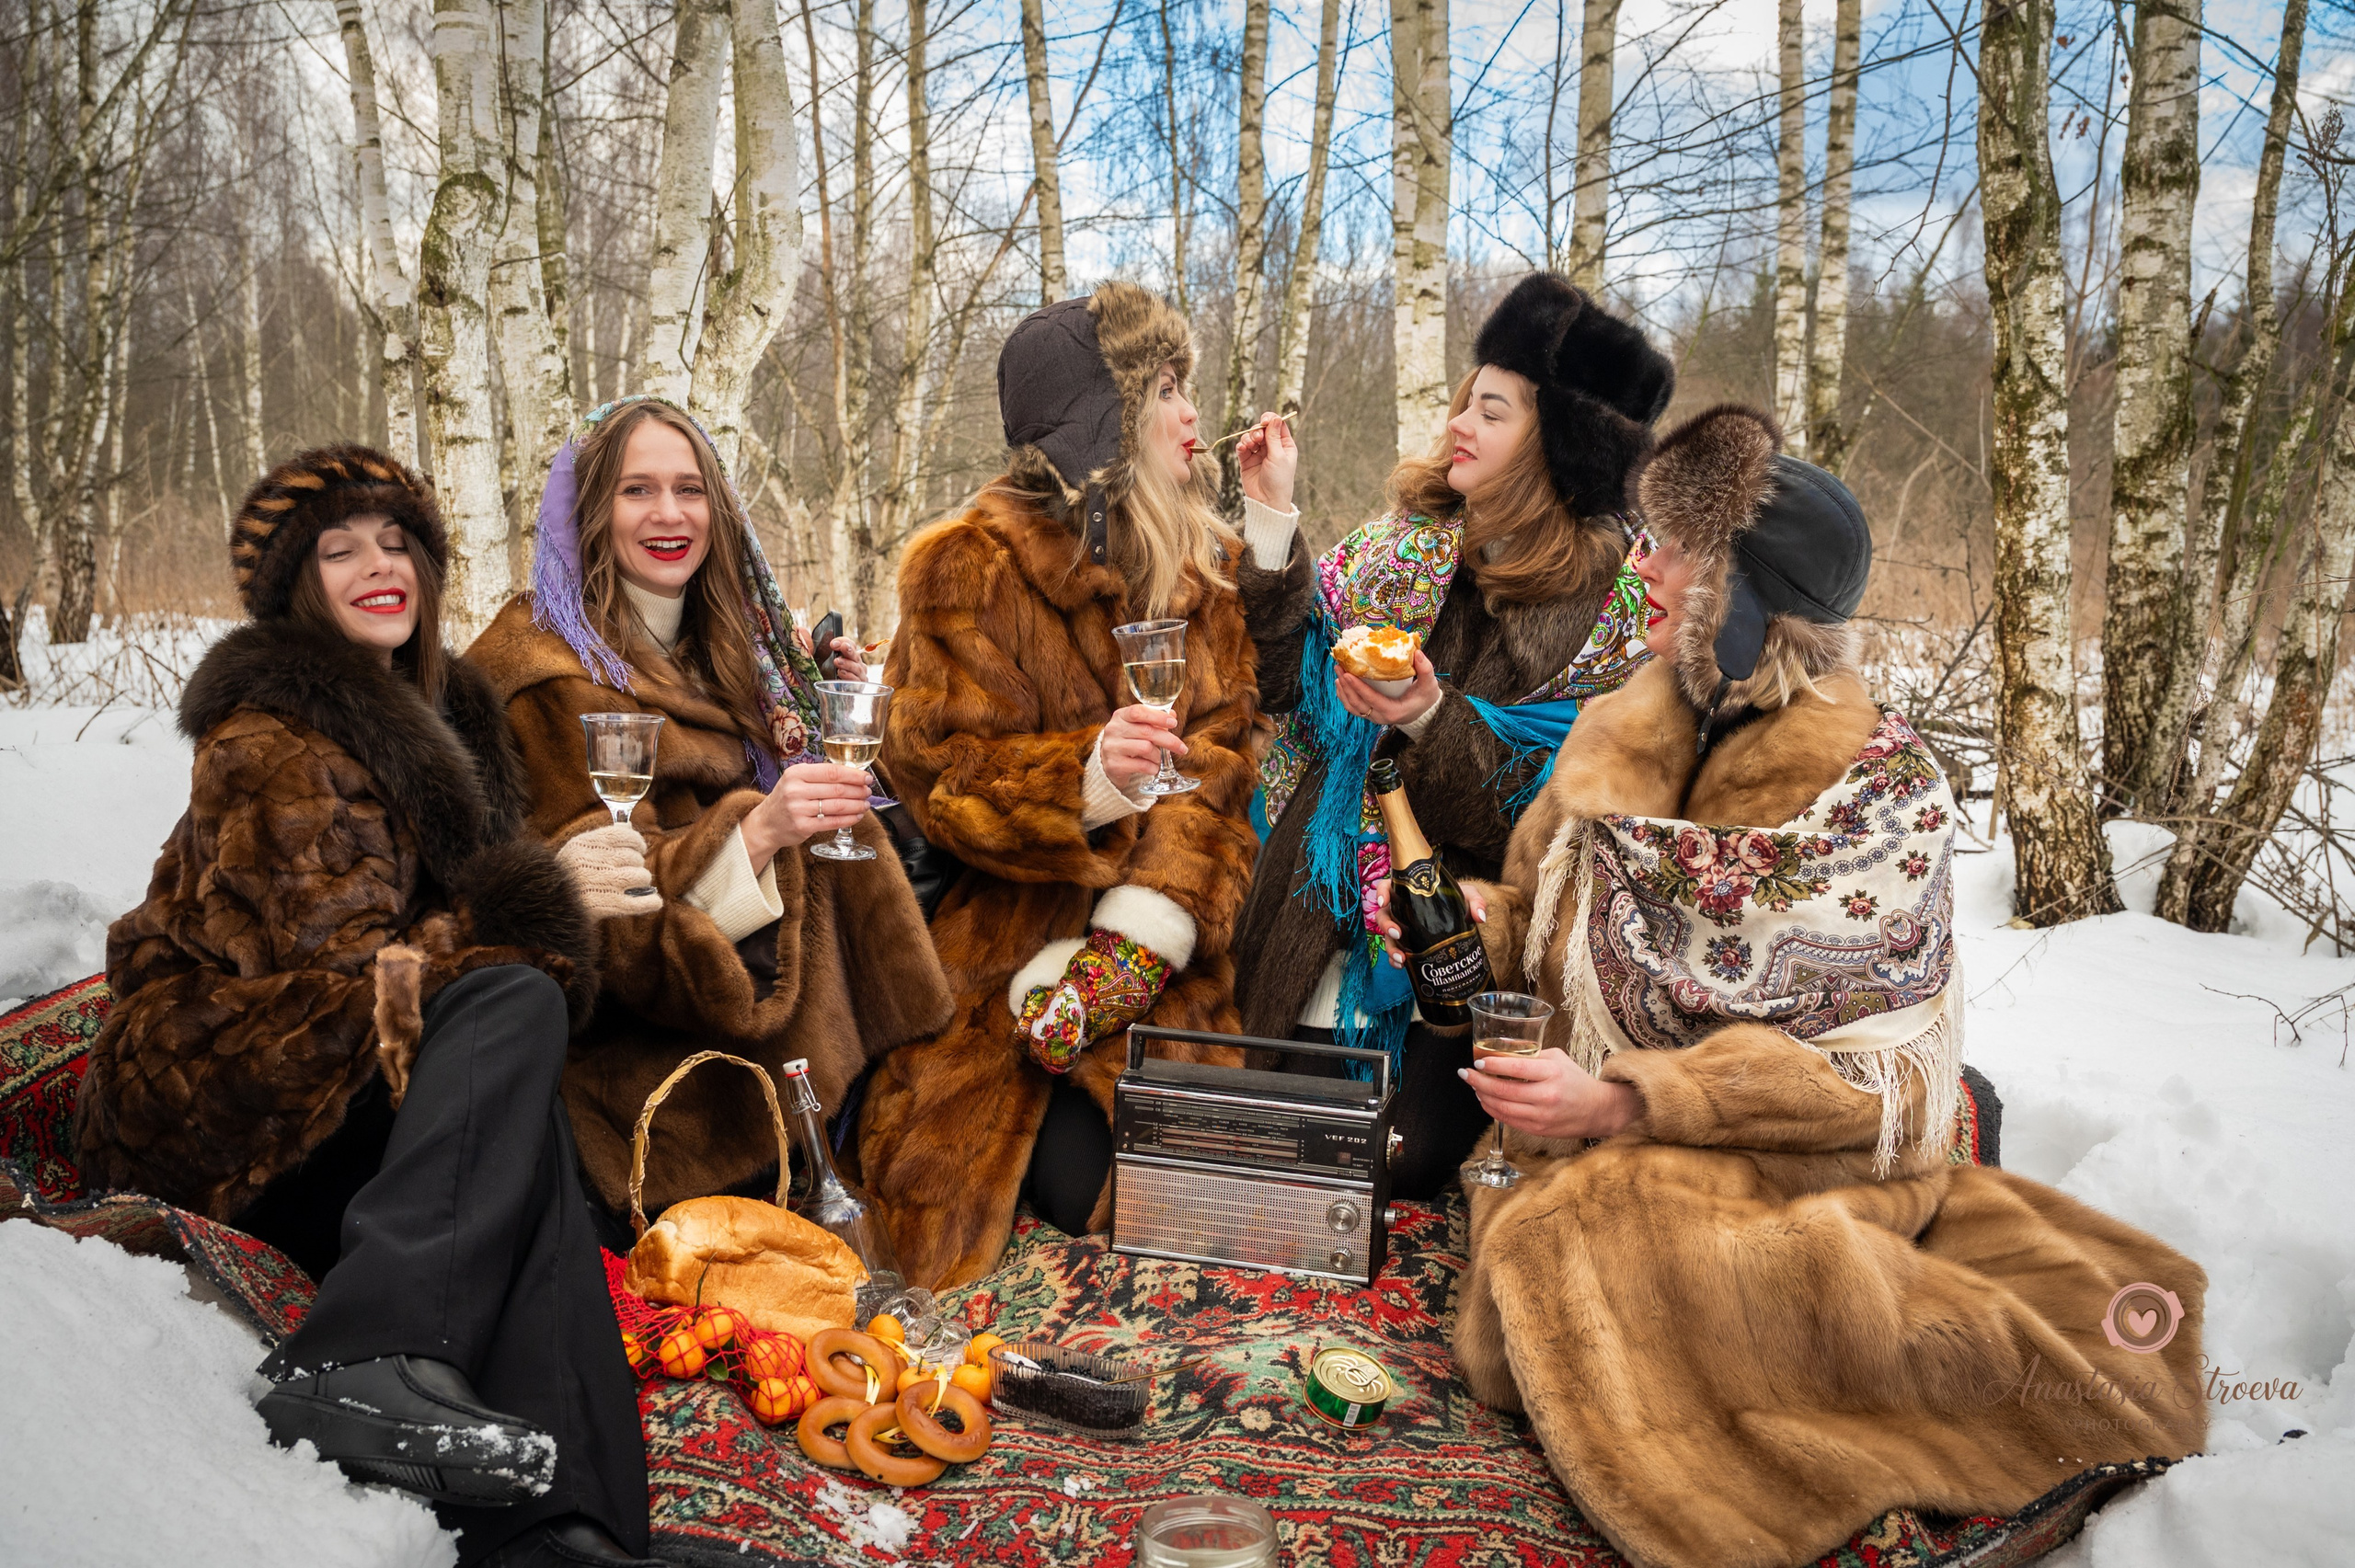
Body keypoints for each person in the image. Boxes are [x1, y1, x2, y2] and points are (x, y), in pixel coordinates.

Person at [1444, 406, 2210, 1568]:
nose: (1638, 563)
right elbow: (1539, 926)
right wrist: (1471, 923)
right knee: (1550, 1261)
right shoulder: (1619, 724)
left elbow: (1868, 1081)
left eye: (1671, 546)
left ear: (1745, 595)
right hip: (1580, 1125)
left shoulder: (1865, 789)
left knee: (1586, 1249)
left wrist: (1627, 1104)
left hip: (1797, 1150)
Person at [74, 446, 661, 1567]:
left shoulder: (444, 718)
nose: (377, 566)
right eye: (339, 551)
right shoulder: (269, 740)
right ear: (300, 588)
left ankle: (568, 1521)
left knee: (521, 1089)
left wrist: (530, 926)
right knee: (508, 1006)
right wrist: (539, 913)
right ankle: (363, 1351)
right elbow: (346, 984)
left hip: (361, 1082)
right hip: (230, 1081)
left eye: (397, 542)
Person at [852, 280, 1263, 1289]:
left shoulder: (1199, 576)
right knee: (975, 1209)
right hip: (1000, 948)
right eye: (1166, 389)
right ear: (1103, 421)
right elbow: (937, 771)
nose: (1192, 415)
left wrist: (1136, 939)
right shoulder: (968, 566)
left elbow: (1219, 769)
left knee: (1194, 1225)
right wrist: (1085, 780)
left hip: (1153, 971)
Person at [1224, 273, 1671, 1196]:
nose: (1461, 420)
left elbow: (1544, 813)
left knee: (1399, 1160)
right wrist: (1271, 517)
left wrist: (1431, 716)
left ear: (1555, 444)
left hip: (1458, 949)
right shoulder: (1409, 542)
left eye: (1494, 410)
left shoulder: (1603, 611)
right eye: (1468, 397)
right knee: (1269, 1139)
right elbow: (1288, 689)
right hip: (1314, 897)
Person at [466, 396, 950, 1231]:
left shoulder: (728, 650)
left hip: (782, 1028)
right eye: (637, 491)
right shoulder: (544, 678)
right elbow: (606, 926)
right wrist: (759, 831)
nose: (669, 515)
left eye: (690, 490)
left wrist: (813, 695)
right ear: (588, 512)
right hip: (653, 1084)